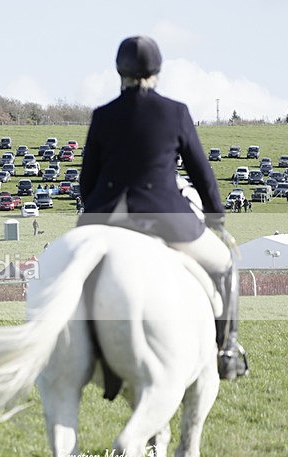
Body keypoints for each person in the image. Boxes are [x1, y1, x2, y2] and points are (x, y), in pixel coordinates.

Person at [78, 35, 247, 380]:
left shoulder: (103, 115)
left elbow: (86, 182)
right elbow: (202, 173)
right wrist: (215, 216)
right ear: (157, 72)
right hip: (165, 217)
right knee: (227, 263)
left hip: (108, 218)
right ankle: (227, 349)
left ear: (119, 72)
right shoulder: (176, 112)